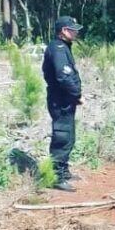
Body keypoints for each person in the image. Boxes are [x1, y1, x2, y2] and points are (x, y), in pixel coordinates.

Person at [42, 16, 84, 192]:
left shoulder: (63, 47)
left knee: (68, 136)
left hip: (65, 99)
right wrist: (77, 94)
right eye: (72, 29)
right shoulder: (58, 49)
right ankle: (56, 177)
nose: (76, 32)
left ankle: (63, 170)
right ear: (64, 31)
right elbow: (64, 76)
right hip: (60, 100)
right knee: (62, 136)